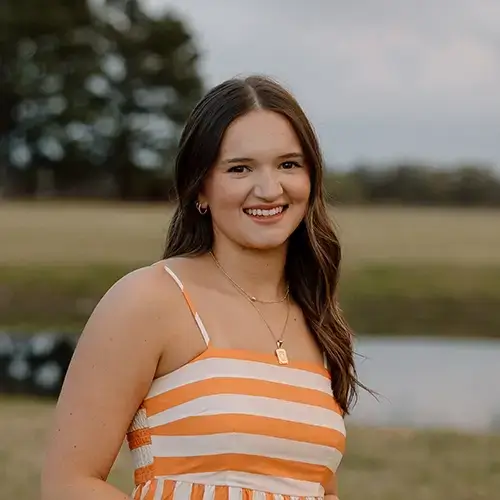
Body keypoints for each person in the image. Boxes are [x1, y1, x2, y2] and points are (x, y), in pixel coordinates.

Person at [41, 75, 361, 500]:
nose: (269, 189)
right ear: (200, 189)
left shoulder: (319, 318)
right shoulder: (150, 300)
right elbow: (68, 485)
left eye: (288, 164)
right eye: (239, 168)